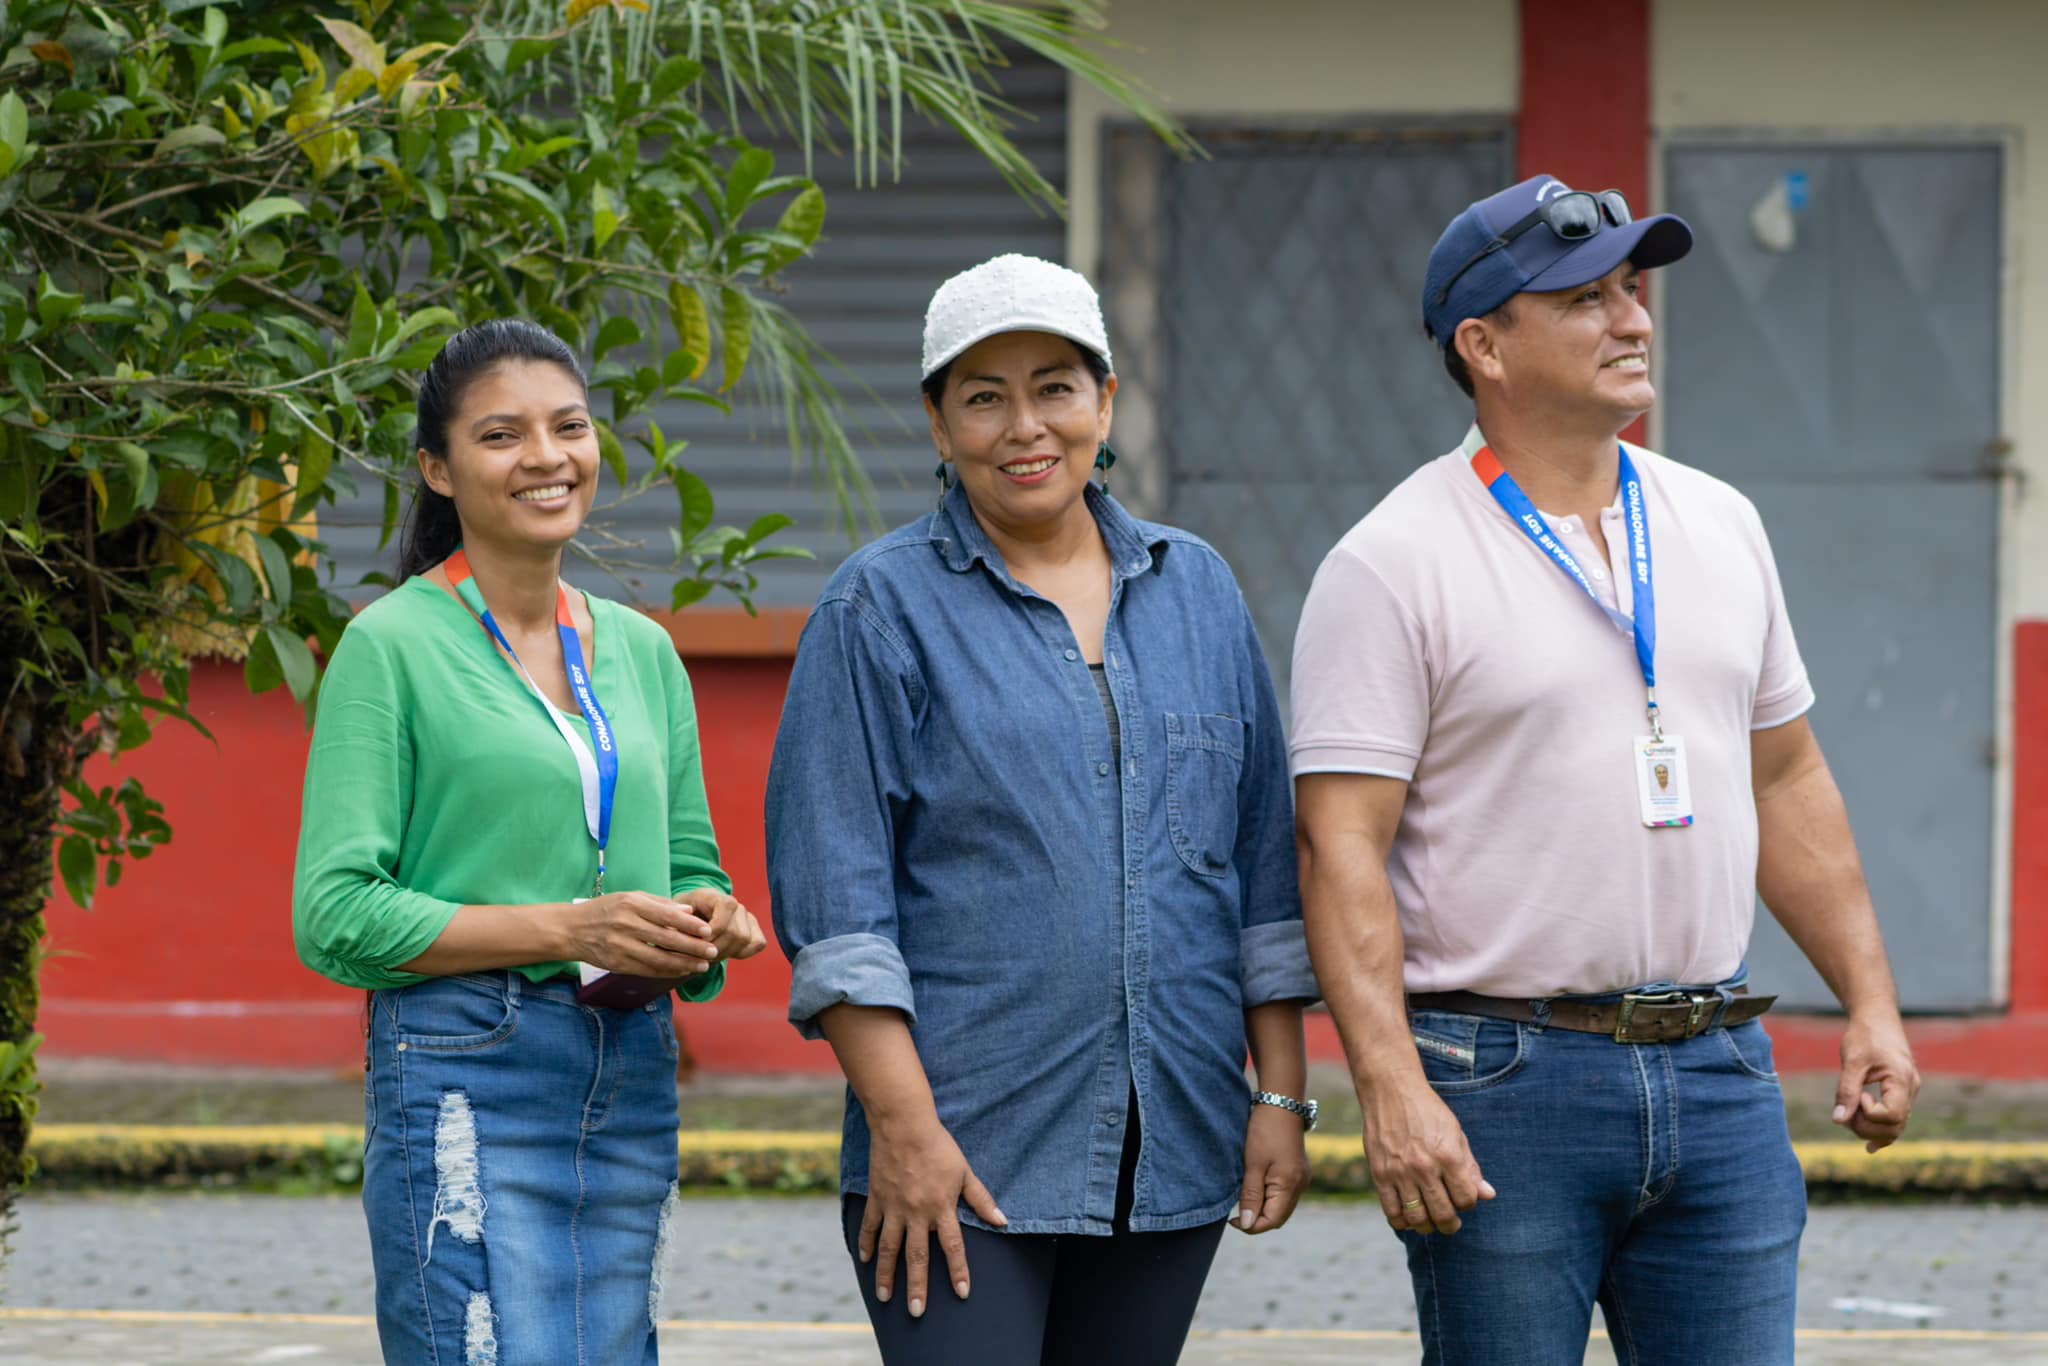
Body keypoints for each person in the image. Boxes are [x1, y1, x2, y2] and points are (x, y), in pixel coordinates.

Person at [1290, 176, 1921, 1365]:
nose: (1632, 320)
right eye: (1584, 299)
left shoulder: (1720, 523)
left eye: (1630, 290)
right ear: (1482, 346)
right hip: (1501, 1082)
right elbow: (1339, 848)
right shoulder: (1389, 563)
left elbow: (1785, 779)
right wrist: (1387, 1085)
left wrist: (1869, 1003)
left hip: (1719, 1067)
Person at [766, 254, 1320, 1365]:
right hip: (962, 1153)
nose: (1024, 427)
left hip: (1174, 1147)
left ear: (1103, 403)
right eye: (984, 397)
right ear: (939, 425)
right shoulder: (877, 609)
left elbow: (1261, 873)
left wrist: (1280, 1098)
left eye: (1054, 388)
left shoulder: (1199, 592)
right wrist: (905, 1134)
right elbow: (839, 913)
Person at [292, 319, 768, 1363]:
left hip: (627, 1070)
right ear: (438, 469)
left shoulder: (643, 650)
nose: (547, 457)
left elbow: (692, 865)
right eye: (502, 435)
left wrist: (708, 920)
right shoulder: (390, 645)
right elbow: (335, 915)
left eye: (570, 427)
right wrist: (571, 926)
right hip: (465, 1073)